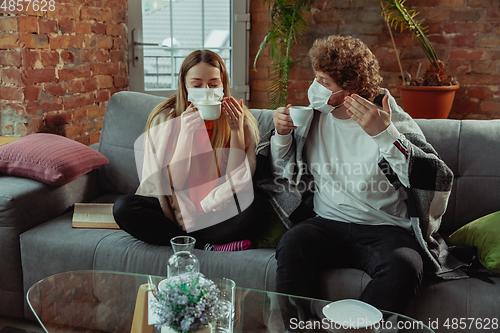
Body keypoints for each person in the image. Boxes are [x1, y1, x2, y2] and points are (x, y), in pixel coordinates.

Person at [255, 35, 467, 315]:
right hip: (328, 222)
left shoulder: (388, 119)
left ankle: (351, 327)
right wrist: (282, 136)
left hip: (385, 228)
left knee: (406, 265)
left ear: (350, 91)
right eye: (316, 78)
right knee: (293, 244)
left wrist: (385, 135)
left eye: (325, 83)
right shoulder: (312, 118)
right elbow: (283, 173)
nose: (315, 88)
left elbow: (433, 180)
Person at [113, 50, 265, 250]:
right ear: (184, 86)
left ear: (223, 84)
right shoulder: (165, 118)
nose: (206, 90)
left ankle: (183, 239)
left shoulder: (238, 117)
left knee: (257, 206)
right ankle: (204, 245)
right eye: (197, 85)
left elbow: (234, 183)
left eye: (213, 84)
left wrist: (236, 130)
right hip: (174, 209)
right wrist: (185, 135)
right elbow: (172, 184)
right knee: (124, 208)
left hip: (216, 208)